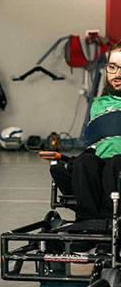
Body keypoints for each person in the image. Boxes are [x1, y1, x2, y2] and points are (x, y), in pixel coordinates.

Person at [61, 42, 121, 220]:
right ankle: (88, 223)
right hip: (104, 160)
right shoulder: (99, 105)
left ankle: (111, 222)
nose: (117, 74)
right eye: (113, 67)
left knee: (115, 164)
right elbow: (96, 143)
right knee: (84, 163)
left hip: (117, 162)